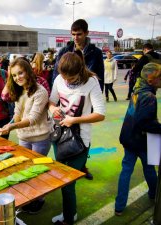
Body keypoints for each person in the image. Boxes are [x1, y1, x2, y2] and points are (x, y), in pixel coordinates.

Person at [49, 51, 105, 225]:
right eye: (64, 76)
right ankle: (69, 213)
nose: (66, 81)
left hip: (80, 140)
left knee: (67, 182)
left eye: (71, 78)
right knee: (62, 178)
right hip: (59, 136)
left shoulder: (91, 82)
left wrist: (75, 119)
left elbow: (100, 114)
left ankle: (69, 217)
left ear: (80, 70)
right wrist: (53, 109)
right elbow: (51, 102)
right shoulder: (59, 79)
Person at [115, 63, 161, 216]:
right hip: (141, 140)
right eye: (160, 78)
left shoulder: (138, 89)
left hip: (129, 137)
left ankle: (119, 206)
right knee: (149, 168)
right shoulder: (149, 96)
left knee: (126, 171)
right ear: (151, 80)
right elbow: (146, 123)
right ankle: (155, 193)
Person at [52, 18, 104, 180]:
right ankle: (77, 166)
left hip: (83, 104)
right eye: (73, 34)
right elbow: (57, 75)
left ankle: (81, 166)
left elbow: (98, 78)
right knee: (63, 150)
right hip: (64, 112)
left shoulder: (95, 53)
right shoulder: (65, 51)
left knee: (79, 145)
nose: (75, 37)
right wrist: (54, 105)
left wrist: (94, 101)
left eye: (79, 34)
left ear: (86, 33)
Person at [0, 57, 51, 214]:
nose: (17, 78)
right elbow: (17, 112)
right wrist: (10, 124)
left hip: (40, 139)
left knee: (36, 172)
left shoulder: (40, 92)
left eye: (20, 73)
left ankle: (39, 200)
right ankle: (29, 198)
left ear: (28, 71)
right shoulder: (20, 90)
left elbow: (33, 119)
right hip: (24, 138)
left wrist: (11, 126)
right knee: (25, 170)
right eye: (14, 76)